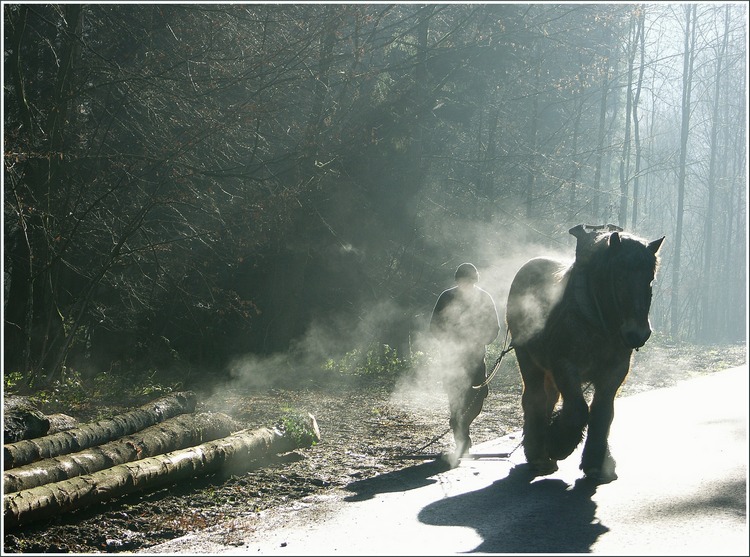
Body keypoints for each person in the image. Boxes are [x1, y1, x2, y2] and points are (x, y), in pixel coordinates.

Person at [430, 262, 500, 465]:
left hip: (476, 357)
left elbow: (493, 327)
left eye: (469, 281)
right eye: (462, 281)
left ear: (475, 281)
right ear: (457, 280)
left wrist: (480, 340)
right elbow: (434, 326)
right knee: (456, 399)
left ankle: (462, 427)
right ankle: (461, 441)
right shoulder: (446, 297)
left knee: (478, 397)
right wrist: (450, 341)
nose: (466, 285)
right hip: (451, 358)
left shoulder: (484, 298)